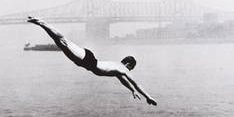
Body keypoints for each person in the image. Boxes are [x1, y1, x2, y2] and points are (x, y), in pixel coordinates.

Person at [27, 17, 157, 106]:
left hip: (86, 62)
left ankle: (42, 24)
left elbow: (124, 81)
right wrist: (148, 97)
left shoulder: (118, 70)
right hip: (89, 61)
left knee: (60, 43)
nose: (130, 72)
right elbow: (136, 83)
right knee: (63, 41)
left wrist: (131, 90)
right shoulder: (123, 68)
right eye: (131, 69)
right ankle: (42, 23)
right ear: (129, 65)